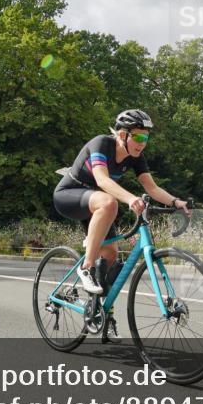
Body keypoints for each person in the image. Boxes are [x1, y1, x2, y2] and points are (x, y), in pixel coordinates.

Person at [53, 109, 190, 297]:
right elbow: (102, 180)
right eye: (139, 138)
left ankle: (96, 312)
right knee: (109, 202)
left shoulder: (135, 157)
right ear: (123, 134)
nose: (143, 144)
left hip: (96, 204)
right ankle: (86, 268)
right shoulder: (101, 143)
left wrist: (176, 202)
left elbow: (152, 188)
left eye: (146, 139)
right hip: (69, 195)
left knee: (110, 255)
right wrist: (130, 198)